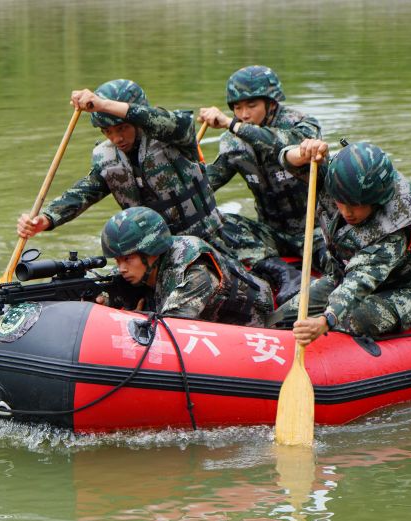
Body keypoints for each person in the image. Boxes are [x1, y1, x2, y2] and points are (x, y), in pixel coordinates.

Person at [17, 80, 227, 254]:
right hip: (152, 252)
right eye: (107, 131)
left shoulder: (173, 135)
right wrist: (46, 219)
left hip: (205, 241)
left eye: (122, 128)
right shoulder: (107, 157)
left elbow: (164, 119)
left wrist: (103, 105)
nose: (116, 138)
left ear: (137, 119)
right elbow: (84, 192)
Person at [272, 140, 411, 346]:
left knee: (355, 319)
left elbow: (362, 278)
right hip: (343, 273)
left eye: (356, 206)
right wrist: (300, 153)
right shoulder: (338, 181)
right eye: (341, 203)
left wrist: (326, 319)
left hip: (406, 287)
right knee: (284, 317)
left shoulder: (397, 224)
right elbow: (288, 161)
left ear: (377, 200)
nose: (347, 212)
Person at [197, 65, 322, 263]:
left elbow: (285, 143)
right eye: (237, 108)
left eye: (251, 106)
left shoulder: (302, 125)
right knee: (217, 223)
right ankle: (277, 271)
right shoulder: (233, 141)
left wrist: (231, 124)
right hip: (270, 234)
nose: (244, 114)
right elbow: (206, 184)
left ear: (271, 104)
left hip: (314, 231)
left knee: (342, 252)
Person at [96, 206, 276, 327]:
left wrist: (132, 318)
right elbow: (111, 289)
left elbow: (171, 327)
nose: (121, 269)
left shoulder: (195, 274)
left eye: (128, 259)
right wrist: (102, 301)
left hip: (252, 328)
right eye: (117, 261)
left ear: (152, 251)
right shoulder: (142, 267)